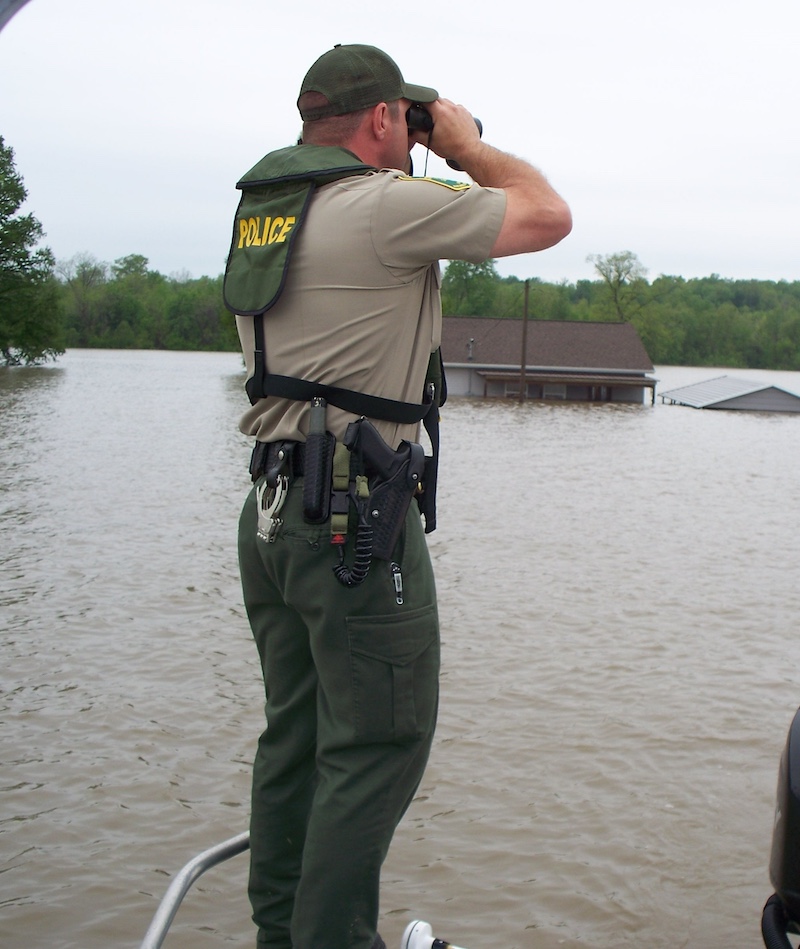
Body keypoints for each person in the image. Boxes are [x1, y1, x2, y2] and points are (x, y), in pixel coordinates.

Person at [227, 43, 571, 949]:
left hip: (269, 516)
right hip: (352, 523)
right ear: (381, 119)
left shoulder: (265, 211)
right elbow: (546, 215)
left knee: (296, 736)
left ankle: (282, 934)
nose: (416, 140)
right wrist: (466, 150)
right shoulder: (381, 205)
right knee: (380, 739)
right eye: (408, 123)